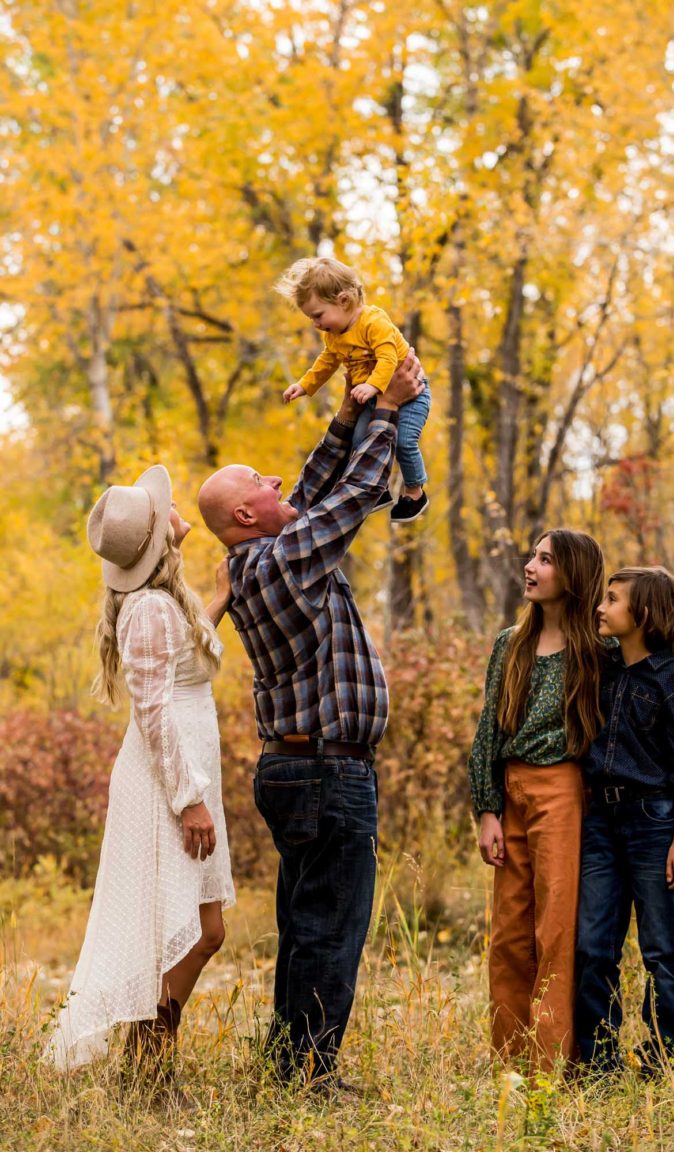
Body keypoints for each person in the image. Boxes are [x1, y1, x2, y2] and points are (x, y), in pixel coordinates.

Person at [197, 356, 425, 1091]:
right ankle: (309, 1074)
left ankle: (289, 1060)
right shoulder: (286, 558)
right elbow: (356, 492)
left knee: (304, 922)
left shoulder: (263, 553)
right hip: (328, 769)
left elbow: (313, 486)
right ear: (243, 516)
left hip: (295, 765)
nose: (276, 483)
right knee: (331, 926)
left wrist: (346, 419)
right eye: (262, 482)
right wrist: (388, 411)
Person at [467, 534, 674, 1072]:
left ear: (572, 575)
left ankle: (559, 1057)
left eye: (545, 559)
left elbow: (656, 703)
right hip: (512, 792)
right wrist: (486, 807)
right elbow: (490, 727)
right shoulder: (510, 643)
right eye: (532, 556)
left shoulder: (598, 650)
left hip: (569, 793)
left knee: (559, 928)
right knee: (510, 928)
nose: (530, 566)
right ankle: (510, 1057)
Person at [46, 465, 235, 1088]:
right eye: (169, 507)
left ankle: (148, 1065)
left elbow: (181, 663)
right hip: (168, 782)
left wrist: (221, 598)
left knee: (198, 930)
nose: (178, 506)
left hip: (184, 773)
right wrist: (188, 801)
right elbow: (153, 712)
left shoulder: (160, 604)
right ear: (158, 538)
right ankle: (149, 1070)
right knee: (196, 932)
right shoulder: (150, 608)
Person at [575, 567, 674, 1077]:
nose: (601, 607)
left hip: (653, 820)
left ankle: (660, 1060)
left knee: (660, 948)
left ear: (643, 614)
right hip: (600, 820)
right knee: (593, 944)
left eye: (613, 599)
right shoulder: (601, 665)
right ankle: (598, 1059)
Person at [275, 256, 431, 523]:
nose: (315, 323)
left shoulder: (373, 322)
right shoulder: (333, 335)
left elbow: (388, 358)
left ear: (344, 301)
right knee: (359, 443)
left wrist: (372, 385)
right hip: (371, 396)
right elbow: (326, 362)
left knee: (404, 441)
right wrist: (304, 385)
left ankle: (415, 492)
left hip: (410, 393)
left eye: (318, 315)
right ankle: (377, 490)